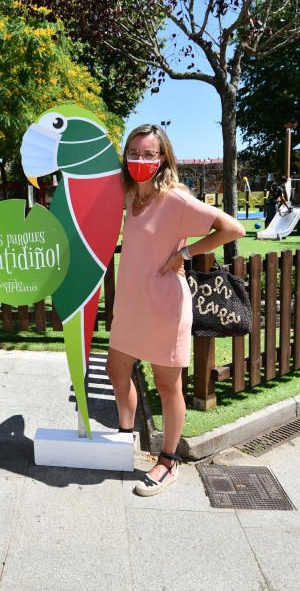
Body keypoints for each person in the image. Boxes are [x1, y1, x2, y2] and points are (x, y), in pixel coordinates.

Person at [106, 124, 245, 497]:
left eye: (148, 153)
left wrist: (184, 253)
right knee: (116, 368)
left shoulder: (176, 199)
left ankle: (169, 461)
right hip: (132, 302)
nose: (139, 160)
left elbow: (232, 229)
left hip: (165, 304)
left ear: (163, 157)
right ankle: (124, 436)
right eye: (133, 152)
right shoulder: (131, 193)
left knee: (168, 386)